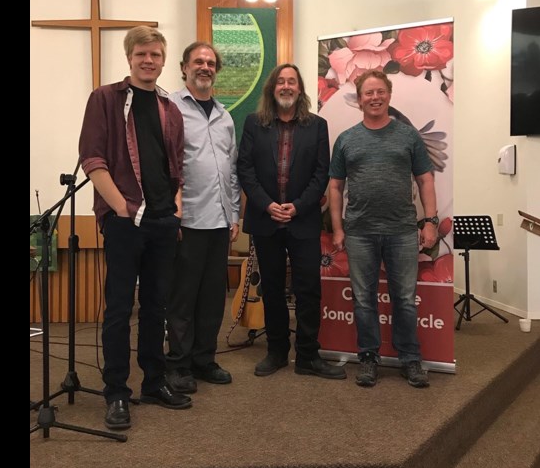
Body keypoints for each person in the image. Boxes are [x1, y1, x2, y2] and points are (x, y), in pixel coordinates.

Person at [78, 26, 193, 431]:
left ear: (164, 61)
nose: (149, 60)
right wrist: (122, 210)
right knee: (119, 309)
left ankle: (154, 382)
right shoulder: (105, 99)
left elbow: (176, 168)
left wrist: (175, 210)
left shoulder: (170, 108)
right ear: (129, 57)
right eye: (142, 53)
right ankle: (116, 393)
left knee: (156, 307)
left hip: (163, 222)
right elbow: (92, 159)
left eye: (156, 55)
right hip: (125, 223)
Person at [327, 69, 437, 389]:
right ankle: (368, 358)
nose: (374, 98)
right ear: (359, 100)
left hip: (402, 230)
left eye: (380, 92)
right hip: (359, 231)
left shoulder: (408, 135)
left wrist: (429, 221)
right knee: (363, 299)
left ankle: (410, 359)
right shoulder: (347, 139)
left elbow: (425, 179)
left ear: (389, 95)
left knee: (404, 298)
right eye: (368, 93)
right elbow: (335, 187)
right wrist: (337, 228)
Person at [237, 63, 346, 380]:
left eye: (292, 82)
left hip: (303, 221)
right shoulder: (254, 124)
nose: (286, 86)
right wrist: (268, 204)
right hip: (265, 219)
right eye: (281, 81)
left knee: (308, 290)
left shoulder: (317, 125)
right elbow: (245, 170)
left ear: (300, 89)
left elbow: (321, 173)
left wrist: (296, 207)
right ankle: (276, 351)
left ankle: (309, 356)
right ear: (273, 88)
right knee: (271, 289)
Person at [165, 42, 241, 393]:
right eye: (198, 61)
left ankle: (204, 359)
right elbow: (166, 165)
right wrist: (172, 212)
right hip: (187, 219)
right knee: (183, 297)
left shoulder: (225, 116)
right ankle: (178, 364)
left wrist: (235, 213)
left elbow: (232, 169)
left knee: (212, 297)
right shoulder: (170, 109)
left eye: (211, 63)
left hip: (220, 220)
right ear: (184, 68)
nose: (205, 67)